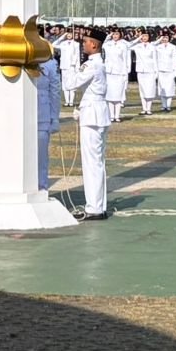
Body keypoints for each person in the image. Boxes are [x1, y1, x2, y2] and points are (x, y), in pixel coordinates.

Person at [66, 27, 112, 219]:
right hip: (97, 112)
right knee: (97, 162)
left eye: (85, 42)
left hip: (92, 115)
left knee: (92, 163)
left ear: (93, 44)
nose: (83, 44)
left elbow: (70, 83)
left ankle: (94, 207)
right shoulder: (98, 63)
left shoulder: (92, 65)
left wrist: (71, 65)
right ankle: (98, 205)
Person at [33, 58, 59, 186]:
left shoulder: (49, 63)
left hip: (42, 115)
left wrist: (54, 117)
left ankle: (42, 186)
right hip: (22, 115)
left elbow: (55, 91)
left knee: (41, 156)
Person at [102, 28, 131, 123]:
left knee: (118, 95)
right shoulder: (108, 44)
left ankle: (117, 116)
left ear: (120, 35)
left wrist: (126, 71)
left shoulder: (123, 45)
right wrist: (108, 36)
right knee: (110, 94)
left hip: (119, 72)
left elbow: (126, 58)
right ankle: (111, 116)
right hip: (109, 72)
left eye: (117, 34)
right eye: (113, 34)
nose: (115, 36)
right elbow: (101, 44)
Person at [133, 31, 159, 116]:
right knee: (142, 89)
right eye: (143, 36)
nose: (144, 38)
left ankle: (149, 108)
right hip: (140, 70)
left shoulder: (152, 47)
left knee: (150, 89)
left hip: (150, 70)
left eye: (146, 36)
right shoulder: (137, 46)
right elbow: (128, 46)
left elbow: (155, 59)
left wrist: (156, 71)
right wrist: (137, 39)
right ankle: (144, 108)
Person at [155, 32, 176, 112]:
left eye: (166, 38)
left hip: (170, 70)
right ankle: (163, 105)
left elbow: (174, 59)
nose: (165, 39)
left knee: (169, 88)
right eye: (163, 38)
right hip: (161, 70)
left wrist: (174, 71)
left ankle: (168, 105)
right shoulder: (158, 47)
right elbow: (156, 59)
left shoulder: (173, 47)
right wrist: (156, 71)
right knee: (162, 88)